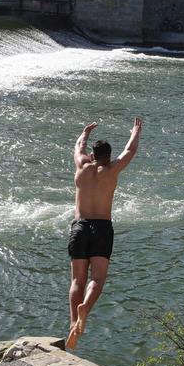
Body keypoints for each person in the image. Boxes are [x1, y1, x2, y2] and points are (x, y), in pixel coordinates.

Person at [65, 117, 143, 350]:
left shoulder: (81, 166)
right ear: (108, 156)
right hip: (101, 228)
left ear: (92, 154)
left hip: (79, 227)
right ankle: (85, 310)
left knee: (77, 280)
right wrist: (136, 131)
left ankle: (72, 324)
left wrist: (85, 132)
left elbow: (78, 146)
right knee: (96, 279)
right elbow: (130, 149)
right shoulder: (112, 169)